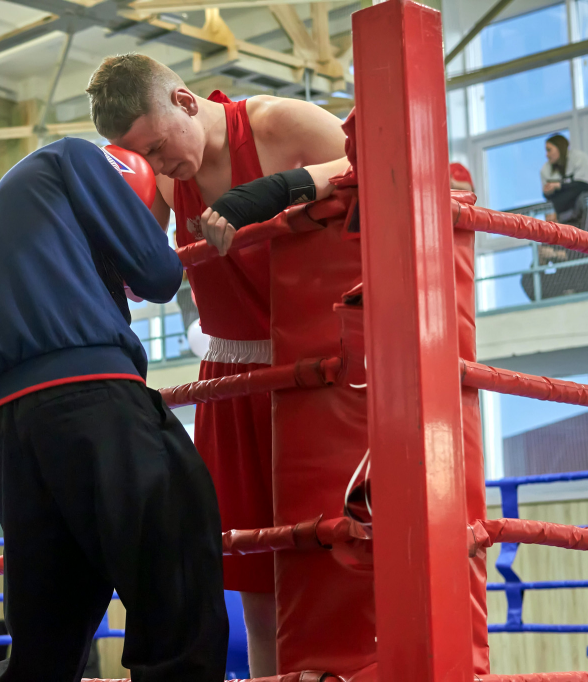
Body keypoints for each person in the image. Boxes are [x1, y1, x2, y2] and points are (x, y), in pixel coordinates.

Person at [87, 53, 348, 676]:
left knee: (337, 555)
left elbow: (378, 159)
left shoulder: (278, 123)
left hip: (314, 376)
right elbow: (134, 272)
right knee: (257, 579)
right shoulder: (159, 178)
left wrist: (283, 187)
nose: (157, 165)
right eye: (138, 157)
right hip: (230, 383)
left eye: (156, 145)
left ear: (182, 102)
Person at [0, 137, 227, 682]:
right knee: (179, 586)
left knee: (46, 638)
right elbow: (159, 274)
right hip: (91, 400)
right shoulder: (76, 157)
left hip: (6, 432)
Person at [523, 134, 588, 301]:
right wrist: (541, 258)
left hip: (587, 278)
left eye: (549, 150)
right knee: (528, 280)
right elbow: (530, 281)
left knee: (586, 255)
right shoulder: (556, 228)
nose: (546, 154)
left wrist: (555, 255)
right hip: (566, 280)